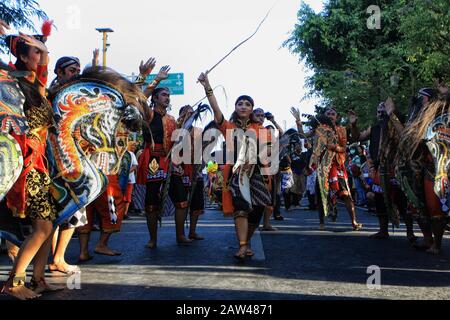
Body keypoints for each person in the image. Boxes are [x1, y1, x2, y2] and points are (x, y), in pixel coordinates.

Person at [2, 23, 65, 299]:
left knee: (50, 222)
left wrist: (37, 42)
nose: (42, 57)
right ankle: (14, 283)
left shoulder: (36, 85)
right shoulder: (10, 83)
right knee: (43, 227)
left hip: (42, 164)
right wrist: (8, 37)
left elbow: (45, 60)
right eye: (36, 53)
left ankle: (37, 278)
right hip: (26, 165)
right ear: (25, 58)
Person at [198, 72, 272, 260]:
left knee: (256, 211)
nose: (243, 106)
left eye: (247, 104)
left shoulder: (261, 130)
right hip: (236, 175)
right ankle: (242, 246)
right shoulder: (229, 127)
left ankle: (246, 241)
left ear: (252, 109)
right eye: (240, 104)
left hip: (256, 175)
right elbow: (216, 110)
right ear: (236, 107)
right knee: (240, 208)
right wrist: (207, 86)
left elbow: (268, 152)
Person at [136, 84, 193, 248]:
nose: (167, 97)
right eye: (163, 95)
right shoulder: (148, 114)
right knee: (151, 202)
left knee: (182, 199)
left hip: (170, 160)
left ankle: (180, 235)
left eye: (168, 95)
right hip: (153, 160)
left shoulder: (171, 120)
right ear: (154, 98)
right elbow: (139, 101)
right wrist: (156, 80)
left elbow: (176, 143)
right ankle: (152, 239)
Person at [349, 102, 415, 241]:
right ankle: (383, 230)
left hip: (396, 169)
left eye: (383, 111)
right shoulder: (374, 128)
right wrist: (353, 125)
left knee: (401, 201)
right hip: (379, 170)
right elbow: (357, 138)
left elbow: (406, 137)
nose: (380, 114)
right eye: (378, 111)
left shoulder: (398, 126)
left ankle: (410, 233)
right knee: (379, 200)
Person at [308, 107, 363, 231]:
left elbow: (343, 148)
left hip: (338, 165)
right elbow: (305, 137)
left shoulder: (342, 130)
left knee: (346, 194)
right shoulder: (319, 130)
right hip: (322, 166)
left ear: (337, 117)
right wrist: (298, 123)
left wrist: (333, 147)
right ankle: (321, 222)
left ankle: (354, 221)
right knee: (321, 193)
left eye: (333, 114)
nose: (331, 115)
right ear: (324, 116)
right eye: (328, 113)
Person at [123, 141, 139, 219]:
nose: (134, 147)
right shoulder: (120, 153)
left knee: (127, 197)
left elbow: (135, 166)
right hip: (120, 179)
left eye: (135, 146)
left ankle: (124, 213)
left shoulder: (132, 154)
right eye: (132, 145)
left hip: (129, 179)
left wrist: (126, 172)